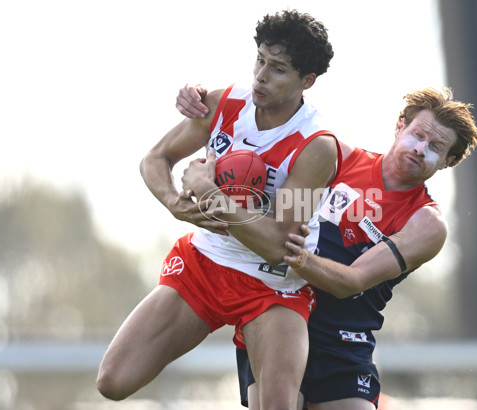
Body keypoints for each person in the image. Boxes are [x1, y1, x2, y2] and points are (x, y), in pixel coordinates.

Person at [176, 85, 477, 409]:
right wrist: (207, 100)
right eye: (418, 134)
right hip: (276, 314)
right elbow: (273, 120)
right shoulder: (336, 158)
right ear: (400, 126)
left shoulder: (426, 222)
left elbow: (351, 282)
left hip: (343, 339)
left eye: (435, 146)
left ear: (449, 161)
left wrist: (288, 253)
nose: (421, 148)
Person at [96, 10, 340, 410]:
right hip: (206, 264)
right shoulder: (224, 102)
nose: (261, 75)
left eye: (278, 69)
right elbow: (154, 159)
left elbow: (279, 246)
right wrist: (176, 204)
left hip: (272, 284)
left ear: (307, 82)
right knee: (113, 380)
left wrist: (210, 194)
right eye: (260, 59)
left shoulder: (316, 145)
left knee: (278, 406)